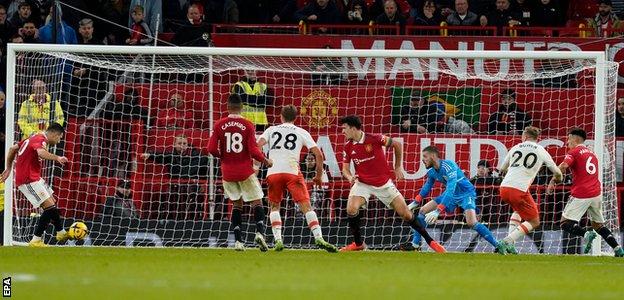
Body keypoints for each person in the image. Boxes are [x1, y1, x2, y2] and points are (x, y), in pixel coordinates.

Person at [338, 115, 445, 252]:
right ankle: (358, 243)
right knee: (351, 209)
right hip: (363, 183)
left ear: (353, 128)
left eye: (344, 128)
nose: (342, 132)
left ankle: (431, 242)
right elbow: (345, 169)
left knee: (406, 214)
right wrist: (349, 177)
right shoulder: (348, 146)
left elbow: (397, 144)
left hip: (383, 183)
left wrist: (398, 166)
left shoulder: (375, 138)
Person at [257, 105, 337, 252]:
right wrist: (318, 176)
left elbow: (257, 146)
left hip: (273, 172)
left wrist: (264, 161)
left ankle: (278, 240)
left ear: (281, 116)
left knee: (274, 207)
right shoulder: (301, 132)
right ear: (295, 118)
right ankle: (319, 238)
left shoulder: (271, 130)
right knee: (306, 206)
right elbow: (318, 154)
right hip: (292, 173)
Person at [208, 94, 273, 251]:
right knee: (257, 202)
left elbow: (210, 149)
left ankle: (238, 241)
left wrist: (223, 156)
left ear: (228, 107)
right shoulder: (248, 125)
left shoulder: (218, 125)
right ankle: (259, 233)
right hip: (245, 171)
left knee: (237, 205)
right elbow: (253, 150)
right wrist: (266, 161)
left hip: (227, 173)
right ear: (242, 107)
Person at [408, 146, 503, 253]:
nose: (422, 160)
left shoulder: (449, 166)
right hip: (451, 195)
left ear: (433, 156)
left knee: (472, 222)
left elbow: (450, 189)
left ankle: (498, 245)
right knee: (422, 211)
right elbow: (428, 185)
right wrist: (415, 202)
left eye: (425, 156)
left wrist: (438, 211)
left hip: (465, 193)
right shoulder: (431, 171)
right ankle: (415, 244)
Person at [547, 128, 624, 257]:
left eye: (569, 138)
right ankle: (617, 249)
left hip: (582, 192)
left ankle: (586, 234)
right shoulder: (592, 154)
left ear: (575, 139)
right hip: (596, 192)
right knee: (598, 225)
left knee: (565, 223)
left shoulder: (574, 151)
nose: (567, 142)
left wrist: (553, 181)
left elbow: (563, 166)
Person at [0, 122, 71, 247]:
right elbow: (41, 153)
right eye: (60, 137)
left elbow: (12, 149)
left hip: (35, 178)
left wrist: (9, 168)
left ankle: (60, 232)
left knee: (52, 202)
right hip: (28, 179)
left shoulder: (32, 138)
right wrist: (57, 158)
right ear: (54, 133)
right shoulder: (40, 139)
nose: (59, 141)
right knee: (49, 207)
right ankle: (36, 240)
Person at [497, 127, 562, 254]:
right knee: (534, 221)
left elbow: (502, 168)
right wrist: (559, 178)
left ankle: (510, 246)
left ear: (525, 136)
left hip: (504, 188)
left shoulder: (516, 147)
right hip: (519, 190)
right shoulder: (541, 150)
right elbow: (556, 170)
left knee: (518, 211)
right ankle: (507, 241)